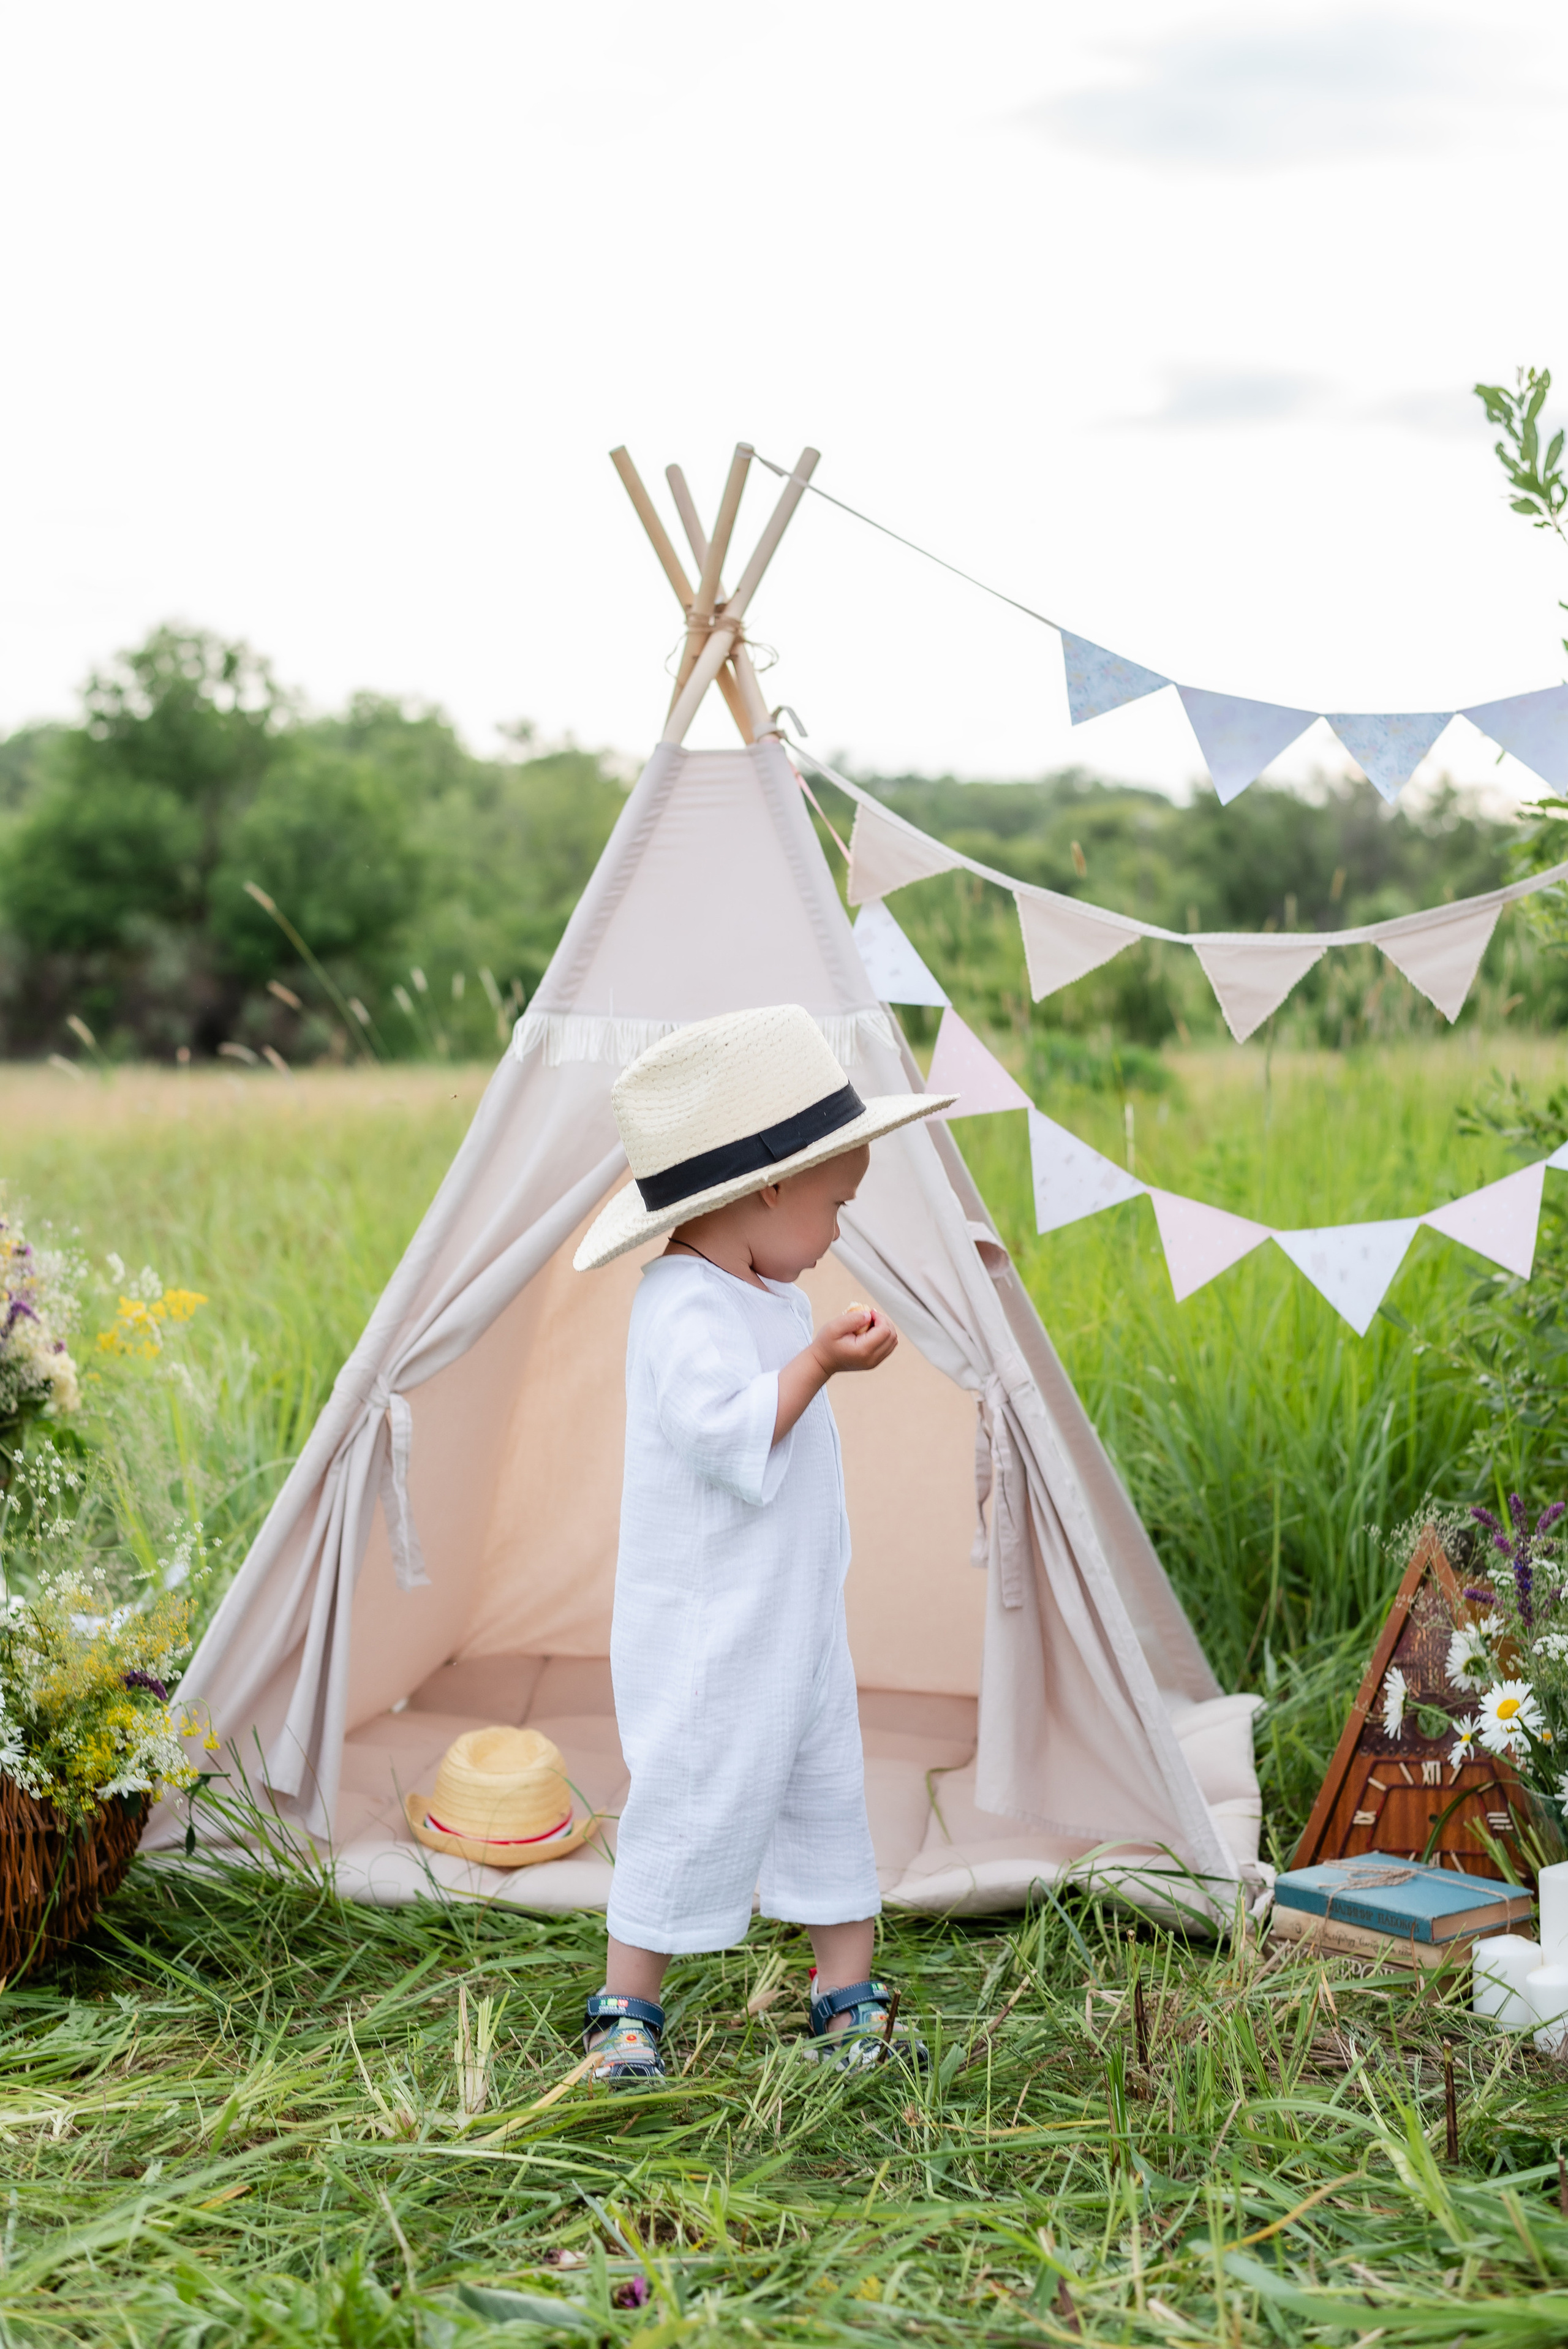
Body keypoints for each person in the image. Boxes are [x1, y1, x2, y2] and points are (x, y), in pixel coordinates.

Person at [571, 1003, 954, 2084]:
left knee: (827, 1790)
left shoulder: (770, 1292)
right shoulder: (680, 1302)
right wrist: (819, 1363)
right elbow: (717, 1430)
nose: (838, 1231)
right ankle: (628, 2004)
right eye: (835, 1203)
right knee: (690, 1796)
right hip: (713, 1632)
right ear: (767, 1189)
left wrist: (817, 1349)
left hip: (794, 1614)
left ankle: (846, 1991)